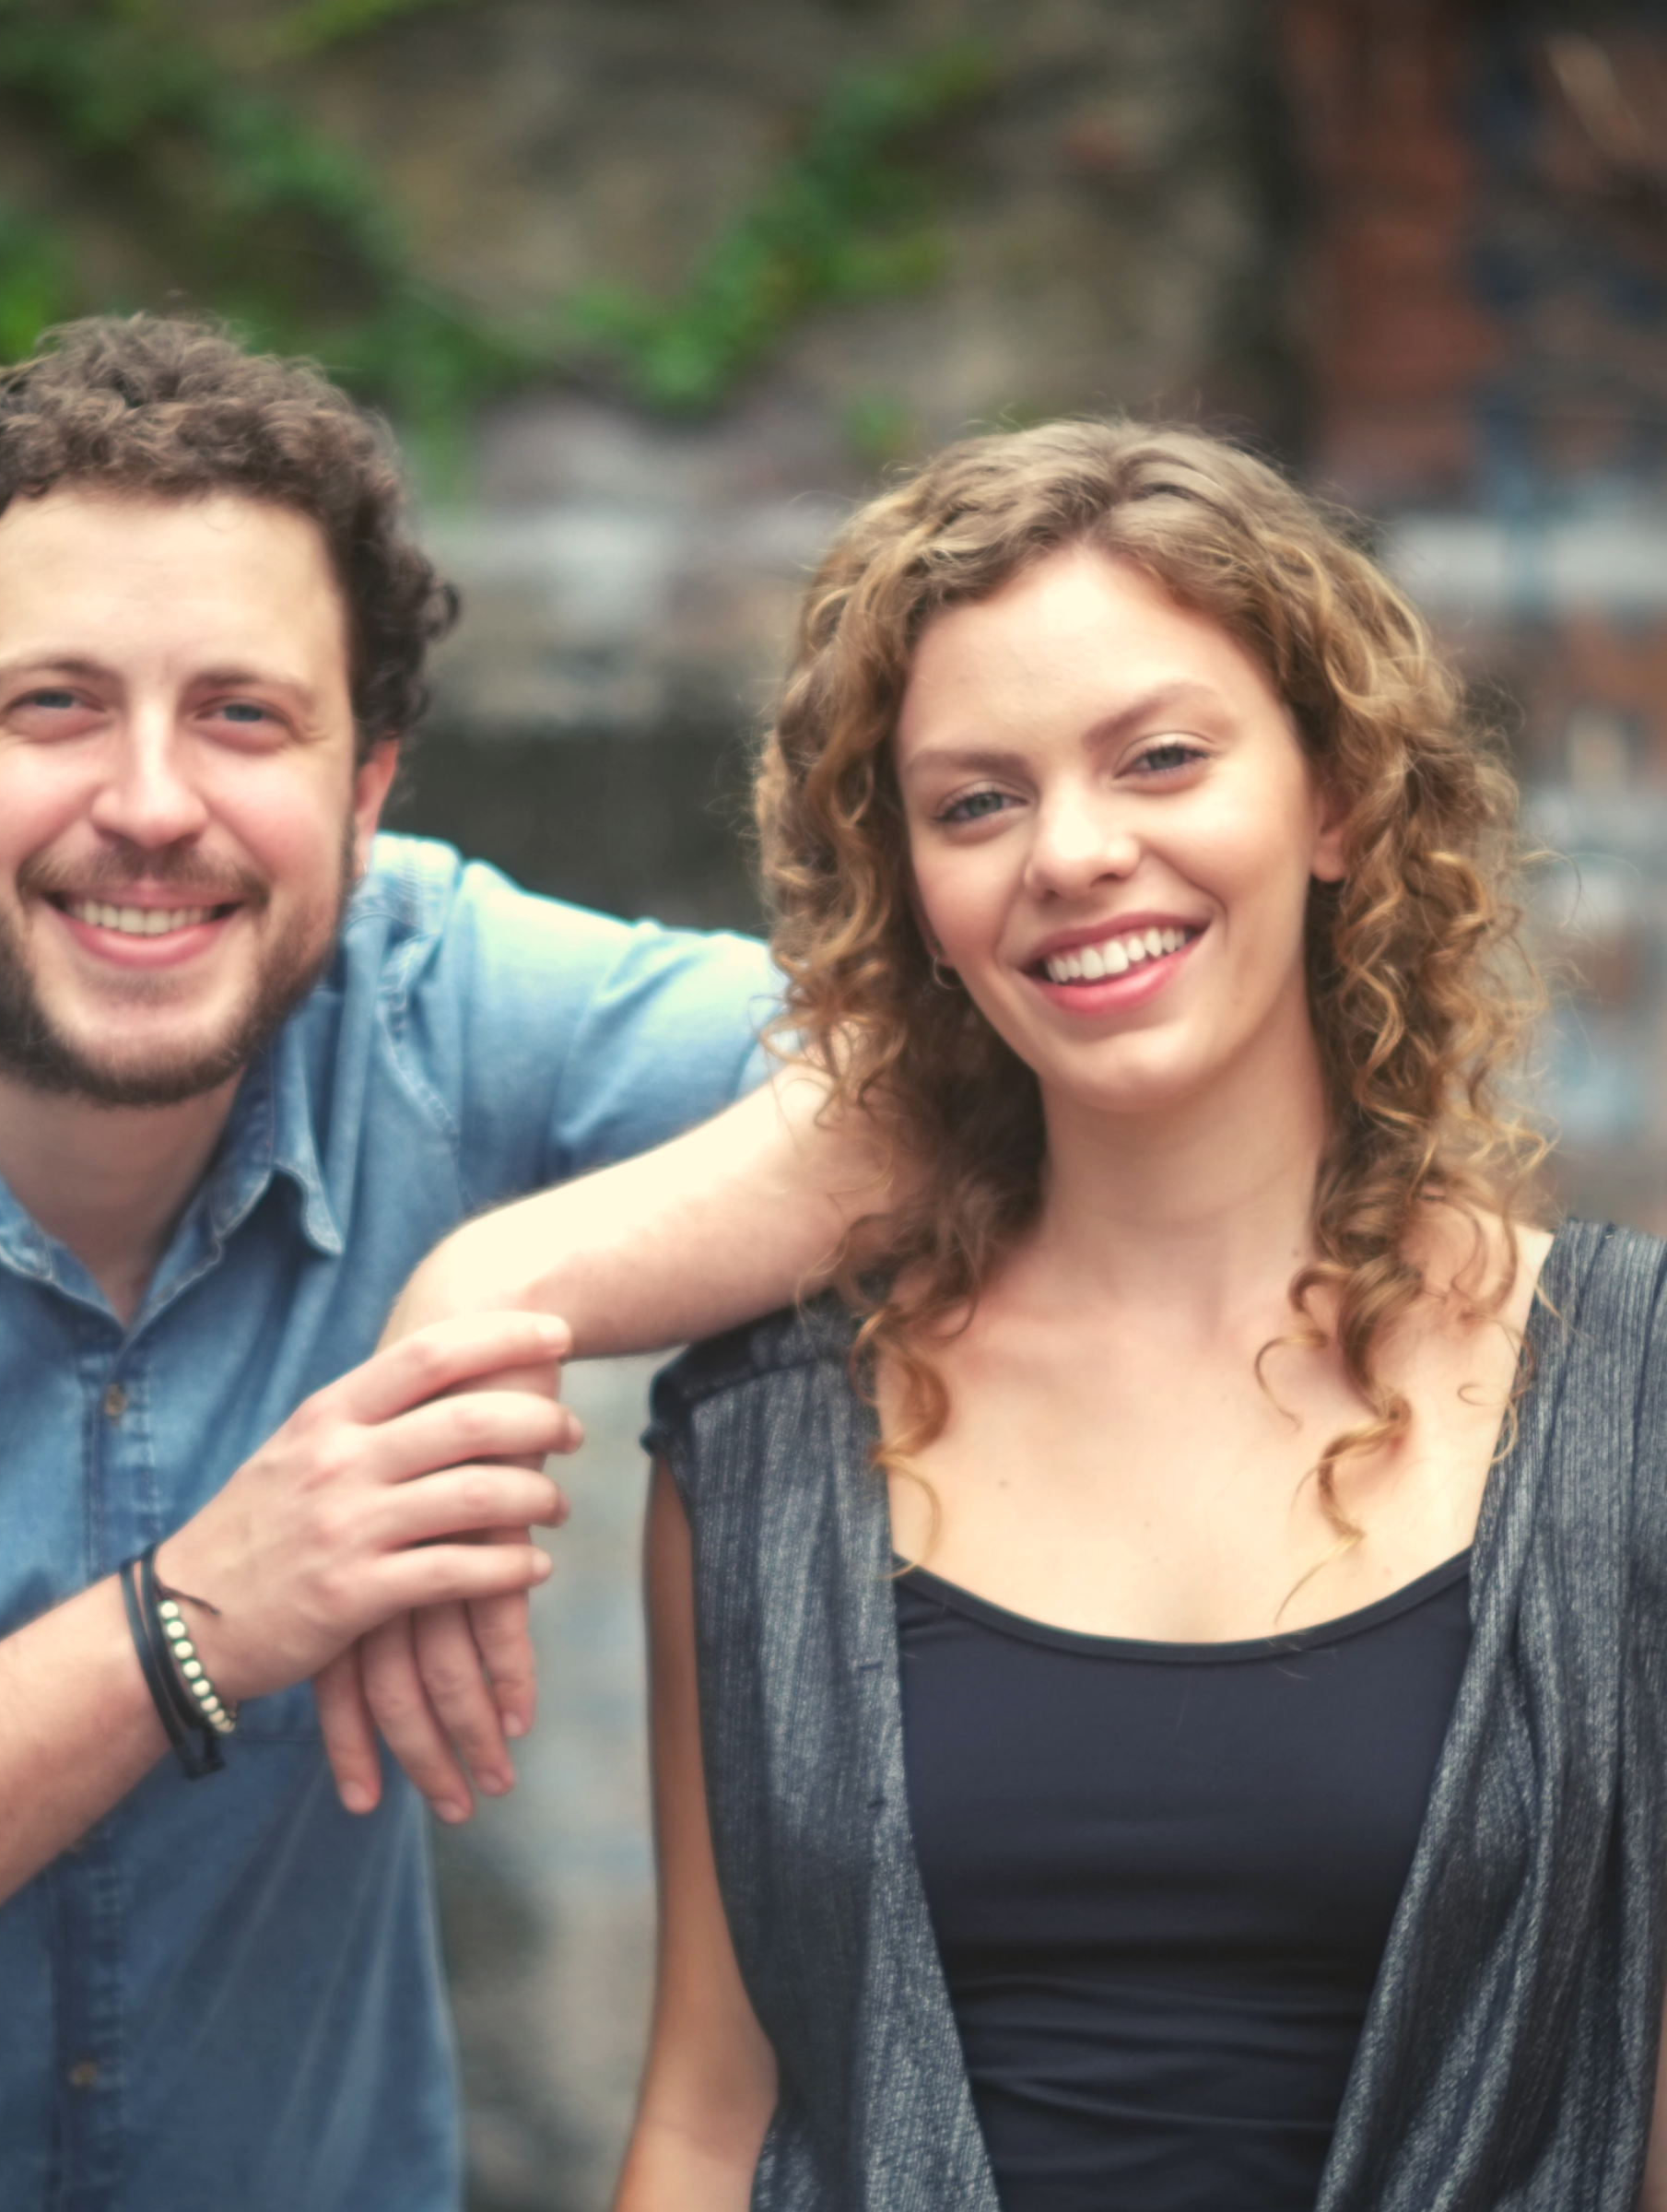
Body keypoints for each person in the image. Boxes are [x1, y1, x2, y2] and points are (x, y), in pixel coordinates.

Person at [0, 315, 868, 2212]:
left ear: (367, 799)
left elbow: (962, 1075)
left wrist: (486, 1295)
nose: (149, 801)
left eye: (243, 715)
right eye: (52, 707)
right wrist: (191, 1621)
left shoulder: (432, 1002)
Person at [556, 419, 1667, 2209]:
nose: (1071, 852)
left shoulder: (1635, 1406)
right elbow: (708, 2106)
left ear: (1336, 797)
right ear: (912, 893)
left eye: (1157, 759)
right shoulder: (764, 1445)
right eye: (976, 802)